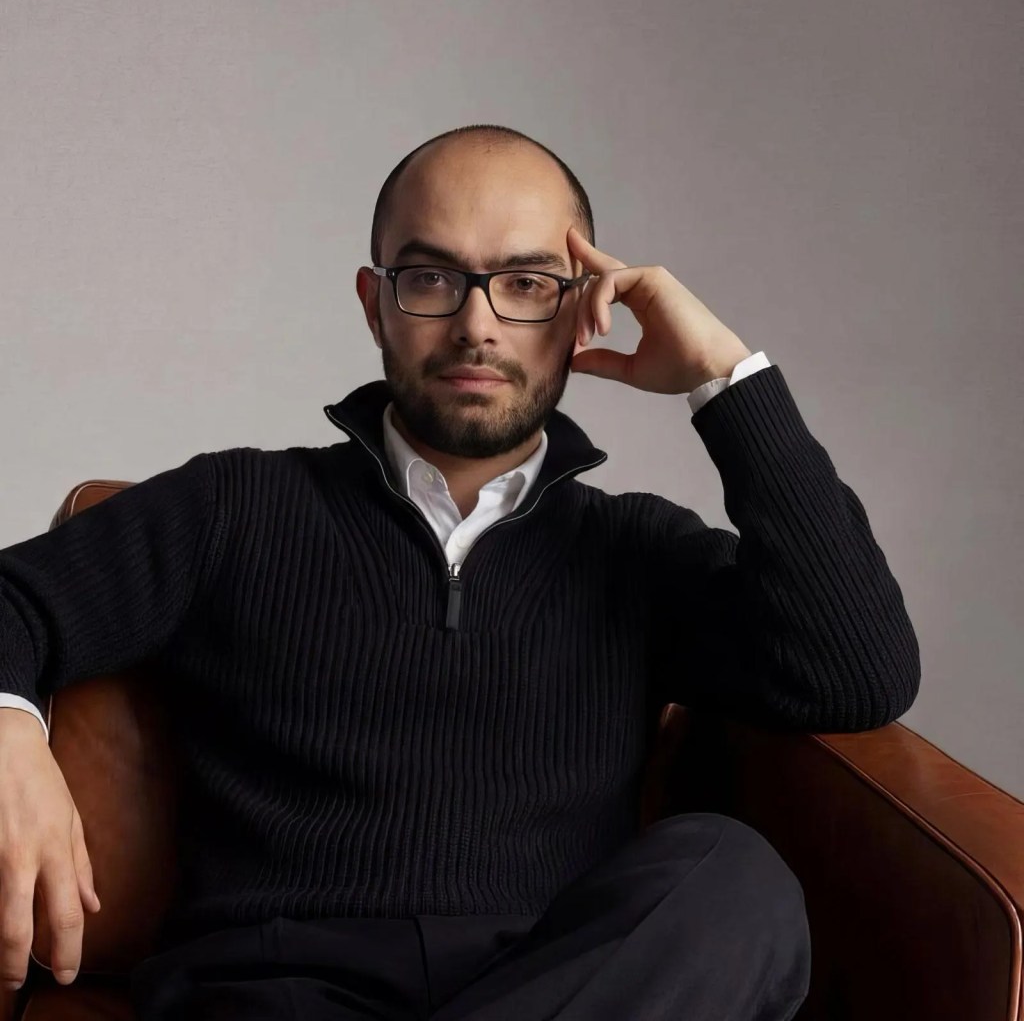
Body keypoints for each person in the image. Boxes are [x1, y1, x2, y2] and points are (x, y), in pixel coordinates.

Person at [0, 124, 921, 1020]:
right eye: (432, 278)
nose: (477, 326)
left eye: (526, 283)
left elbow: (854, 671)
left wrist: (723, 377)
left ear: (582, 309)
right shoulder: (232, 507)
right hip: (277, 987)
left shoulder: (639, 551)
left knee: (733, 877)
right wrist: (6, 728)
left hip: (560, 983)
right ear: (375, 303)